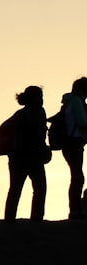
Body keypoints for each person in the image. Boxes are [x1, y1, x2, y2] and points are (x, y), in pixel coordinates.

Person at [3, 86, 49, 221]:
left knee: (15, 189)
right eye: (40, 97)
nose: (42, 100)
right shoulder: (38, 112)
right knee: (40, 188)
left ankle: (9, 220)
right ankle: (36, 219)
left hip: (16, 157)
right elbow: (39, 135)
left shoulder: (20, 114)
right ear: (35, 98)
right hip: (32, 156)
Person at [59, 78, 87, 219]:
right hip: (74, 142)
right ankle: (75, 210)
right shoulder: (77, 101)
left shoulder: (69, 101)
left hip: (69, 143)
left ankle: (75, 209)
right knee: (78, 177)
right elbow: (82, 122)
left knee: (77, 176)